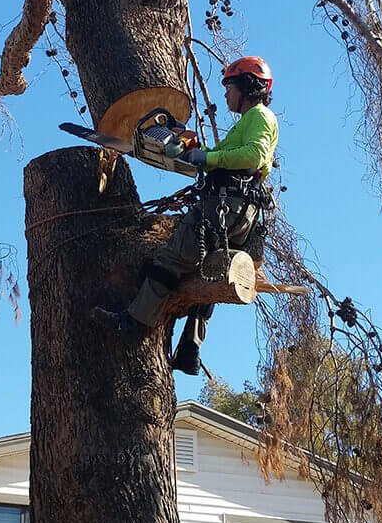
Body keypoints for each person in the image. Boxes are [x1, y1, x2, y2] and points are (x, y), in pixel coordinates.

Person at [92, 56, 279, 375]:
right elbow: (225, 157)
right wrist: (191, 146)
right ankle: (190, 350)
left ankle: (134, 323)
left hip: (225, 208)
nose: (226, 93)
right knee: (212, 271)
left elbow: (253, 156)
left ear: (247, 86)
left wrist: (206, 158)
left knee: (169, 260)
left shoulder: (259, 116)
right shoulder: (250, 120)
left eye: (230, 86)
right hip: (239, 211)